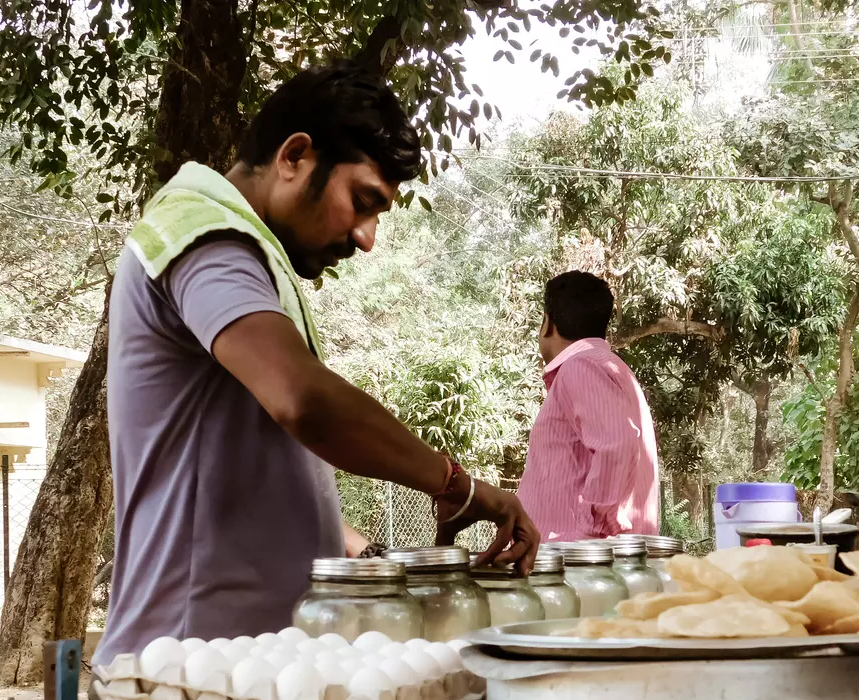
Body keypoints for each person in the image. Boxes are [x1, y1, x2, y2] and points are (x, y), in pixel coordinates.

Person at [95, 62, 537, 663]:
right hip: (187, 672)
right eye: (362, 202)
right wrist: (459, 487)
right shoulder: (203, 233)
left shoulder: (248, 257)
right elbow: (302, 400)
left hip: (246, 669)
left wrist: (344, 545)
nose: (367, 238)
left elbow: (252, 459)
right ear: (295, 156)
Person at [516, 271, 659, 542]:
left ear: (547, 324)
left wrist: (591, 530)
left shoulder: (580, 366)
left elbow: (617, 442)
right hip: (588, 562)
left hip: (579, 567)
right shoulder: (612, 368)